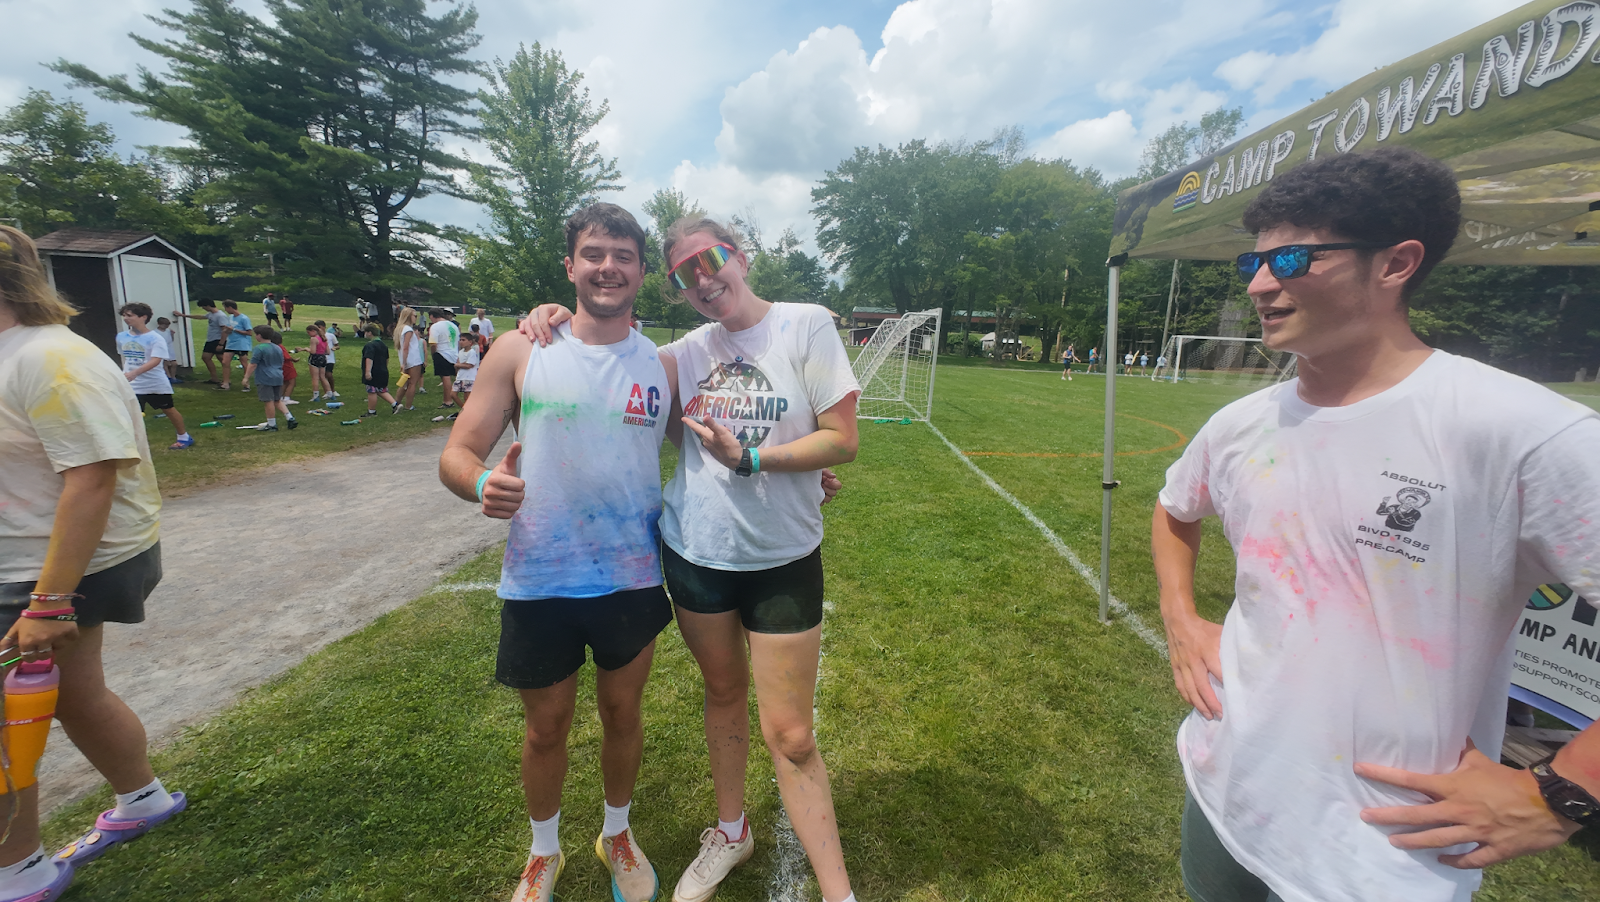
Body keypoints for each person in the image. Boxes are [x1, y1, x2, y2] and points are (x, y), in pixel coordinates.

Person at [1151, 146, 1600, 902]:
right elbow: (1174, 510)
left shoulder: (1523, 432)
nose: (1262, 283)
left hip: (1376, 857)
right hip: (1222, 787)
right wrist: (1181, 619)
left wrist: (1562, 793)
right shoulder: (1238, 425)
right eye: (1252, 262)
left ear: (1395, 264)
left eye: (1292, 258)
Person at [523, 215, 863, 902]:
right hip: (698, 554)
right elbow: (608, 346)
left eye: (711, 260)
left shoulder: (805, 326)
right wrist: (553, 315)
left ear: (740, 254)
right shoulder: (680, 353)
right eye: (685, 273)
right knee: (723, 693)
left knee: (793, 734)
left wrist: (764, 459)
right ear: (675, 286)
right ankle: (731, 831)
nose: (704, 280)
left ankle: (838, 892)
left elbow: (842, 439)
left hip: (784, 556)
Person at [439, 203, 673, 902]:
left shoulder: (661, 364)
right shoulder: (520, 349)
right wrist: (484, 483)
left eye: (624, 256)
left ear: (642, 272)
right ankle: (543, 853)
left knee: (623, 717)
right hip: (541, 579)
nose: (609, 267)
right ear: (570, 265)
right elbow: (456, 453)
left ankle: (617, 834)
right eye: (594, 254)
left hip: (631, 576)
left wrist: (795, 468)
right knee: (546, 730)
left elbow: (716, 443)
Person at [0, 226, 187, 902]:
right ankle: (143, 797)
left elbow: (93, 478)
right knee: (76, 696)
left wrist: (48, 602)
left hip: (47, 571)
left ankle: (15, 868)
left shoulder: (51, 358)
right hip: (34, 561)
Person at [116, 303, 193, 451]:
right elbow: (125, 357)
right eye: (124, 315)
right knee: (131, 412)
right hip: (132, 384)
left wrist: (135, 373)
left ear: (143, 317)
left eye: (130, 315)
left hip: (154, 383)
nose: (126, 318)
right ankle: (133, 443)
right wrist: (125, 373)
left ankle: (184, 437)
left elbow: (156, 360)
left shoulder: (155, 338)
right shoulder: (121, 337)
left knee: (168, 409)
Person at [242, 325, 296, 432]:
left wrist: (246, 377)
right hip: (278, 376)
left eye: (256, 334)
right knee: (277, 399)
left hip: (265, 377)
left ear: (260, 336)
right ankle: (290, 418)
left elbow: (253, 364)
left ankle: (272, 424)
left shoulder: (259, 348)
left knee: (268, 401)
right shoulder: (277, 347)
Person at [169, 300, 228, 384]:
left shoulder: (220, 316)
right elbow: (200, 317)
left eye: (203, 307)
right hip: (211, 340)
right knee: (206, 357)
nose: (203, 308)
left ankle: (227, 380)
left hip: (218, 340)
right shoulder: (211, 314)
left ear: (208, 305)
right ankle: (214, 378)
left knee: (222, 360)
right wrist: (183, 315)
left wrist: (221, 344)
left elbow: (225, 330)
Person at [360, 324, 399, 416]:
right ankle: (395, 405)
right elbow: (387, 358)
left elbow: (369, 358)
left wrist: (368, 372)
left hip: (374, 372)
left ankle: (371, 412)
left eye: (365, 332)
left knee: (371, 391)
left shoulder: (370, 345)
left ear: (370, 333)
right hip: (383, 371)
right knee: (382, 390)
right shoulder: (383, 345)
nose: (364, 334)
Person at [426, 308, 459, 409]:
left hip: (441, 353)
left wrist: (433, 354)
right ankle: (452, 397)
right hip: (453, 353)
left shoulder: (435, 327)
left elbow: (433, 343)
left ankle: (447, 401)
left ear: (432, 316)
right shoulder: (453, 325)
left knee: (445, 377)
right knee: (450, 377)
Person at [394, 307, 424, 411]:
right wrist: (404, 363)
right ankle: (408, 406)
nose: (416, 318)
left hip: (405, 359)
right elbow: (406, 347)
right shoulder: (408, 329)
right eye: (414, 316)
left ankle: (396, 403)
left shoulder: (399, 329)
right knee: (412, 383)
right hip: (413, 359)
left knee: (404, 382)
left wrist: (403, 362)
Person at [219, 301, 253, 391]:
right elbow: (228, 330)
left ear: (230, 307)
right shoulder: (230, 318)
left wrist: (234, 329)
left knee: (244, 364)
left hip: (242, 344)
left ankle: (246, 384)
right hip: (230, 344)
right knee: (225, 362)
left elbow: (249, 333)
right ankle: (225, 383)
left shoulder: (244, 318)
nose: (225, 310)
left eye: (226, 308)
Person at [452, 332, 478, 411]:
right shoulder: (460, 352)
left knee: (467, 397)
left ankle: (468, 411)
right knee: (453, 394)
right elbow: (459, 363)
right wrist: (458, 367)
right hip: (460, 377)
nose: (461, 342)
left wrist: (458, 365)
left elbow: (470, 365)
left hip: (469, 377)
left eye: (463, 340)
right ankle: (464, 409)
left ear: (470, 342)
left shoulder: (472, 352)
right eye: (460, 340)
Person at [306, 324, 331, 403]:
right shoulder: (323, 338)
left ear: (313, 331)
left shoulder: (314, 339)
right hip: (323, 358)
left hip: (315, 358)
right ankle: (330, 393)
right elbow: (328, 352)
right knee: (322, 377)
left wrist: (306, 349)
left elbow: (313, 351)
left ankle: (316, 395)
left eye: (308, 332)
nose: (308, 335)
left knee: (315, 378)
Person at [273, 332, 299, 404]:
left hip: (280, 366)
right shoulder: (280, 346)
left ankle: (280, 397)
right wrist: (294, 360)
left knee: (285, 382)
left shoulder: (273, 347)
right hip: (287, 366)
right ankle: (287, 398)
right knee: (292, 382)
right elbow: (286, 357)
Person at [154, 317, 180, 383]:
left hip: (169, 348)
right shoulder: (155, 332)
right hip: (161, 349)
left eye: (167, 325)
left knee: (174, 363)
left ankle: (173, 376)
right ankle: (168, 377)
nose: (166, 326)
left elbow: (171, 340)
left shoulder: (168, 331)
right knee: (165, 363)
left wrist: (172, 335)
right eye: (164, 325)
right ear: (159, 324)